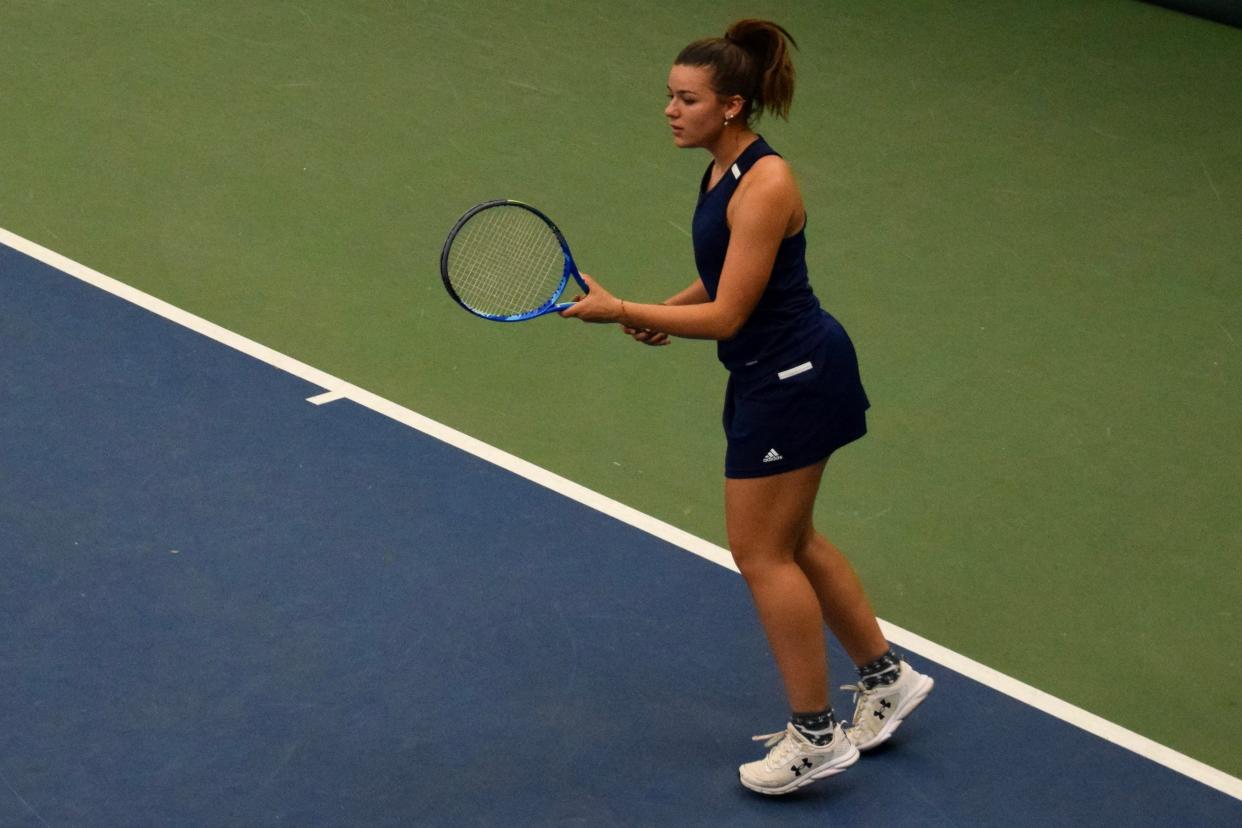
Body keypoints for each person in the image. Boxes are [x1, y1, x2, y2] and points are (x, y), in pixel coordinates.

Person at [560, 18, 933, 796]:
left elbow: (730, 315)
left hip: (794, 377)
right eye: (668, 96)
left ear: (730, 106)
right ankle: (887, 680)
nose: (670, 110)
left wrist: (625, 306)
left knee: (761, 554)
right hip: (778, 372)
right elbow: (734, 280)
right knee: (790, 537)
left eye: (686, 99)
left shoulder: (766, 183)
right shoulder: (721, 169)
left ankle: (815, 735)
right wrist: (660, 307)